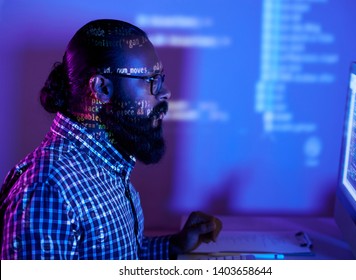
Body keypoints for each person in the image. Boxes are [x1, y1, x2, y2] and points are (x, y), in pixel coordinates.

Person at [0, 19, 221, 260]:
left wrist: (174, 246)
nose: (165, 92)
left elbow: (119, 258)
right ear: (102, 88)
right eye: (152, 81)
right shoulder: (48, 186)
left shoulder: (108, 167)